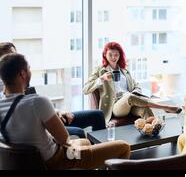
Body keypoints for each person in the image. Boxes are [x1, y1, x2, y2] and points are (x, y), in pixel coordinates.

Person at [0, 53, 130, 169]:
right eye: (29, 68)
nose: (30, 72)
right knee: (123, 147)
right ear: (22, 74)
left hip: (29, 162)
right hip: (60, 160)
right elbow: (64, 139)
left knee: (84, 142)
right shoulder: (37, 102)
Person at [0, 42, 105, 138]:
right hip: (40, 126)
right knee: (78, 132)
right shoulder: (7, 88)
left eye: (14, 54)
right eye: (9, 56)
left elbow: (38, 105)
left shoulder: (21, 79)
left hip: (48, 116)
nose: (14, 58)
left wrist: (57, 111)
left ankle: (98, 152)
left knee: (97, 115)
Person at [84, 42, 181, 124]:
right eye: (110, 54)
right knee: (129, 97)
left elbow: (137, 86)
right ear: (105, 54)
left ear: (120, 55)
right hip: (115, 107)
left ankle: (153, 137)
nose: (113, 57)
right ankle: (165, 107)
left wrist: (135, 91)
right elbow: (85, 89)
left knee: (145, 110)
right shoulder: (100, 70)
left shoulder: (124, 71)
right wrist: (102, 79)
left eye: (116, 55)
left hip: (131, 102)